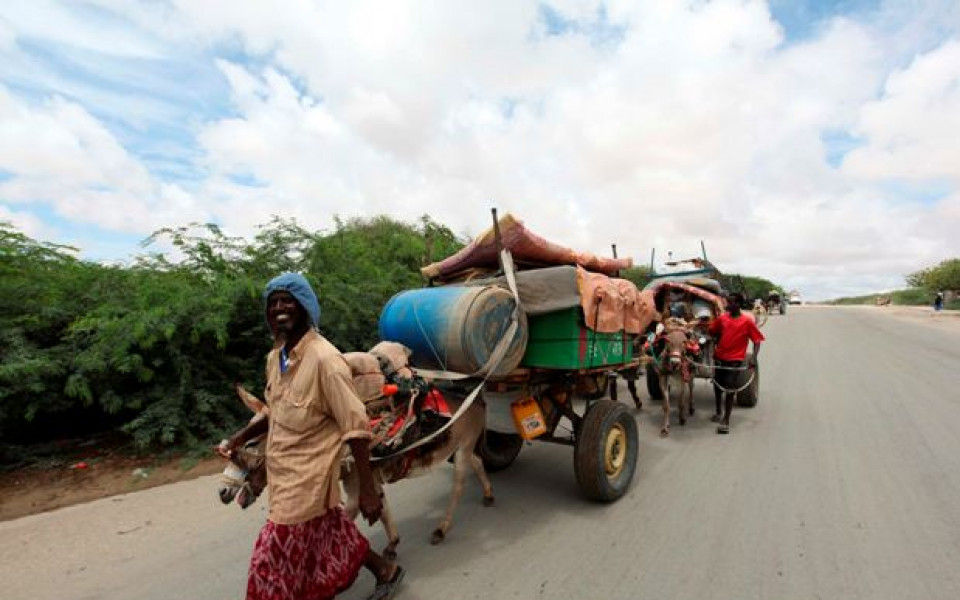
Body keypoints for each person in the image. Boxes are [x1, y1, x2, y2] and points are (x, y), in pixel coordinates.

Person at [225, 273, 403, 600]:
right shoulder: (275, 358)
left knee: (270, 564)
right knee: (331, 532)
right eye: (273, 302)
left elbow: (355, 425)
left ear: (305, 308)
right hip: (282, 475)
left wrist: (367, 489)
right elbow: (274, 412)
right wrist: (238, 438)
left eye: (287, 301)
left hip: (307, 480)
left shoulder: (325, 360)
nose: (279, 307)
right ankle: (384, 570)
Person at [708, 292, 765, 434]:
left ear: (738, 304)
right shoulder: (722, 318)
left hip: (735, 360)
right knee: (717, 385)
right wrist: (714, 338)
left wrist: (754, 358)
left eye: (731, 302)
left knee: (729, 388)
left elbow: (757, 341)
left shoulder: (747, 322)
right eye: (727, 302)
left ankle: (726, 421)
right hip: (719, 357)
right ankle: (718, 411)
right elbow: (712, 331)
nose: (728, 305)